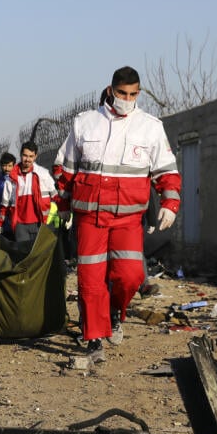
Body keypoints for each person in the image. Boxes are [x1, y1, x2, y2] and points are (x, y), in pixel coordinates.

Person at [53, 66, 181, 362]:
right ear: (110, 91)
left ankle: (114, 313)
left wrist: (170, 204)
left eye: (133, 94)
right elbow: (65, 168)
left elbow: (167, 171)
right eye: (122, 93)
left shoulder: (150, 127)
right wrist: (63, 207)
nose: (127, 99)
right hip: (90, 217)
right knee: (90, 280)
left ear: (139, 93)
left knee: (130, 276)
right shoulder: (85, 123)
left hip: (127, 218)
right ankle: (94, 338)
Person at [0, 142, 56, 243]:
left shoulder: (43, 174)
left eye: (31, 156)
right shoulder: (11, 178)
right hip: (20, 226)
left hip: (40, 223)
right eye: (25, 156)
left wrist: (65, 212)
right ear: (20, 155)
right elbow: (5, 205)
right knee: (24, 256)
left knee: (40, 256)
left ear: (35, 156)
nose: (27, 159)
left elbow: (55, 195)